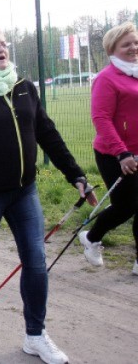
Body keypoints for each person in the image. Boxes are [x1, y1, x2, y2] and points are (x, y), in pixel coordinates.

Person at [0, 24, 97, 364]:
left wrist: (76, 175)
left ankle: (35, 335)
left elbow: (47, 132)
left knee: (36, 261)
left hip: (25, 191)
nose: (2, 49)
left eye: (4, 43)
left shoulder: (24, 88)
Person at [81, 21, 138, 275]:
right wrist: (121, 152)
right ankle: (92, 237)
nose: (133, 47)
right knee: (126, 206)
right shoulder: (106, 79)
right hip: (114, 154)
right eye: (127, 44)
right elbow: (101, 118)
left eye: (136, 42)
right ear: (112, 50)